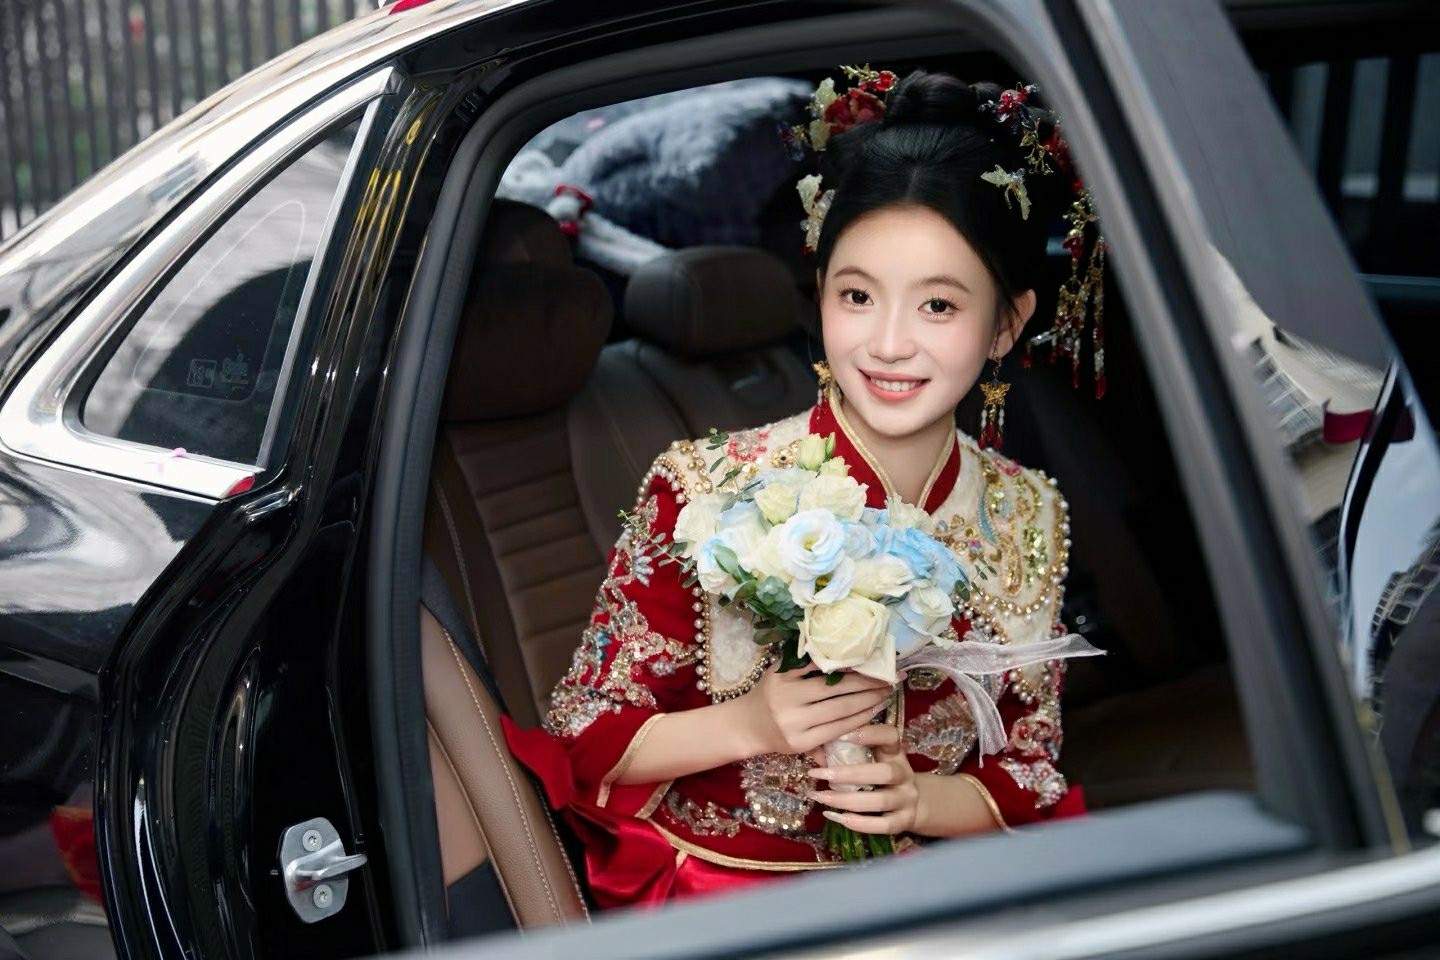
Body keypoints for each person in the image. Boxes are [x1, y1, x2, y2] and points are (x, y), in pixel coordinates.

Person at [502, 67, 1091, 909]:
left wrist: (920, 801)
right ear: (819, 298)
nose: (888, 343)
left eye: (938, 307)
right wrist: (748, 724)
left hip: (938, 886)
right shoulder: (706, 485)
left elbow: (1029, 765)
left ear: (1007, 323)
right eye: (858, 296)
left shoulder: (1029, 510)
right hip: (735, 894)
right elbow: (585, 734)